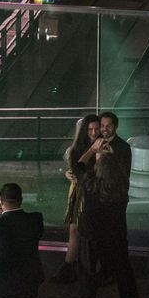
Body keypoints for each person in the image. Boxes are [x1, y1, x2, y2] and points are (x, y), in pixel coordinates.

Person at [74, 137, 139, 298]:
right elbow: (115, 168)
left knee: (88, 275)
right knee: (123, 272)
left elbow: (79, 166)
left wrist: (93, 151)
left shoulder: (90, 184)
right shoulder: (122, 186)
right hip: (115, 235)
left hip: (91, 236)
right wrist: (109, 155)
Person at [51, 114, 100, 284]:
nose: (93, 133)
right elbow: (73, 168)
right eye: (90, 130)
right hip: (78, 192)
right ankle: (71, 266)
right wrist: (69, 174)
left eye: (96, 129)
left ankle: (72, 266)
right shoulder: (77, 149)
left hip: (89, 193)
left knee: (79, 230)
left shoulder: (99, 147)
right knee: (75, 230)